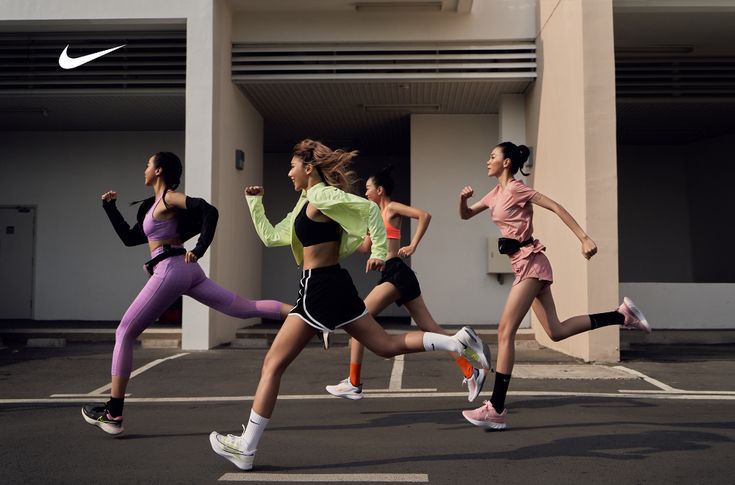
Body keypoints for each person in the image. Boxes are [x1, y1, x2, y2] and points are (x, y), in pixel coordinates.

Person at [209, 139, 491, 471]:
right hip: (332, 284)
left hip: (319, 288)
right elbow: (272, 237)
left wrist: (377, 252)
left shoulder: (322, 195)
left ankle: (246, 447)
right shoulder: (306, 201)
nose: (288, 172)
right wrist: (254, 203)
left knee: (272, 365)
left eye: (293, 166)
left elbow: (372, 210)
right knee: (384, 345)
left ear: (308, 168)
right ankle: (457, 342)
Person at [81, 152, 291, 435]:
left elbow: (209, 210)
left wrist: (200, 248)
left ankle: (113, 413)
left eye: (147, 164)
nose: (144, 169)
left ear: (159, 171)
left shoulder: (169, 198)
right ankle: (302, 314)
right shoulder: (153, 204)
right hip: (185, 271)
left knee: (124, 332)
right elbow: (131, 238)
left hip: (171, 269)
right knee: (242, 307)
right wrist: (110, 208)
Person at [459, 142, 651, 430]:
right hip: (522, 265)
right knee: (556, 331)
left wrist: (584, 238)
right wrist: (462, 200)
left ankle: (496, 408)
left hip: (532, 263)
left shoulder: (516, 189)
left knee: (504, 331)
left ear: (507, 162)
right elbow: (465, 215)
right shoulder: (496, 193)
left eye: (493, 156)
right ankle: (621, 315)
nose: (488, 161)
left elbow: (556, 207)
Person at [325, 165, 487, 402]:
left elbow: (424, 215)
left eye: (368, 188)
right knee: (431, 329)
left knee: (357, 321)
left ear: (380, 190)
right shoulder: (373, 217)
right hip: (396, 275)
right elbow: (363, 247)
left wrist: (412, 245)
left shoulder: (390, 208)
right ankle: (471, 370)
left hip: (397, 272)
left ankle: (353, 382)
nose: (365, 192)